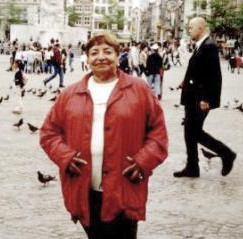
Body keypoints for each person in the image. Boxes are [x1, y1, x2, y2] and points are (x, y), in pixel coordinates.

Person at [40, 32, 168, 239]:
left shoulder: (139, 90)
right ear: (87, 59)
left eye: (108, 51)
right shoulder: (70, 94)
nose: (101, 57)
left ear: (118, 56)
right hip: (83, 187)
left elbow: (158, 133)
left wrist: (144, 161)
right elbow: (49, 133)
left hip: (124, 186)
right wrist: (65, 156)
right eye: (94, 53)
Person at [173, 17, 236, 178]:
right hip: (193, 95)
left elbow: (213, 75)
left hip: (199, 98)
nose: (189, 30)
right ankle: (192, 167)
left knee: (194, 132)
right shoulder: (202, 45)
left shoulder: (209, 46)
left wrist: (206, 99)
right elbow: (198, 70)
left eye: (191, 27)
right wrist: (185, 81)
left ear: (200, 28)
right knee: (190, 132)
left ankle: (226, 153)